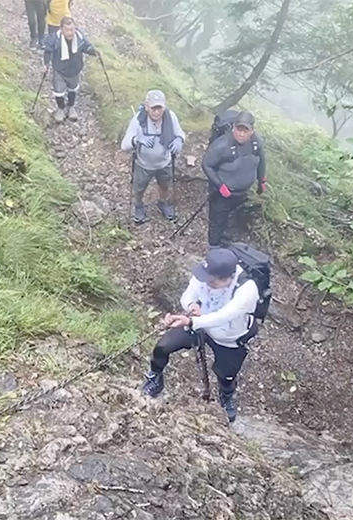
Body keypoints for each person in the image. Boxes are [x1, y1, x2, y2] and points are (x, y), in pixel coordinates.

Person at [142, 248, 260, 423]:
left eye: (212, 282)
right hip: (199, 323)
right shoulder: (205, 273)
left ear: (227, 278)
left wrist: (191, 322)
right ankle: (155, 376)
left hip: (228, 336)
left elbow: (224, 316)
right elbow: (188, 295)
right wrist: (191, 306)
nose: (207, 283)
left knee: (226, 374)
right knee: (163, 347)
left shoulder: (247, 290)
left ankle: (226, 396)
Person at [201, 110, 267, 247]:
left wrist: (261, 181)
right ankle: (213, 250)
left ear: (252, 131)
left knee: (232, 222)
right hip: (222, 194)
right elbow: (207, 165)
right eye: (239, 130)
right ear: (233, 128)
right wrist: (219, 186)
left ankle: (226, 247)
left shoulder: (256, 143)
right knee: (217, 223)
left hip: (243, 193)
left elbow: (261, 161)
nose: (242, 134)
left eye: (246, 131)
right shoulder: (221, 145)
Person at [120, 90, 185, 224]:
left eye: (159, 108)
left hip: (164, 162)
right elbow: (124, 145)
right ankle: (138, 205)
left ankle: (162, 203)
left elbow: (180, 133)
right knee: (139, 187)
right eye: (153, 108)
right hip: (143, 164)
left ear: (164, 107)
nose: (156, 112)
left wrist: (179, 139)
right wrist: (137, 139)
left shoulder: (170, 117)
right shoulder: (138, 120)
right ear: (146, 107)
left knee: (164, 185)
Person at [43, 17, 98, 123]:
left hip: (74, 69)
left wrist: (94, 52)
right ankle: (61, 109)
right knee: (59, 91)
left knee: (73, 88)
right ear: (61, 29)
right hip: (59, 69)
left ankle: (71, 107)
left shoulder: (79, 37)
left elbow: (86, 46)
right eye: (67, 30)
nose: (70, 33)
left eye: (72, 29)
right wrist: (46, 64)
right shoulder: (54, 38)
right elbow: (48, 51)